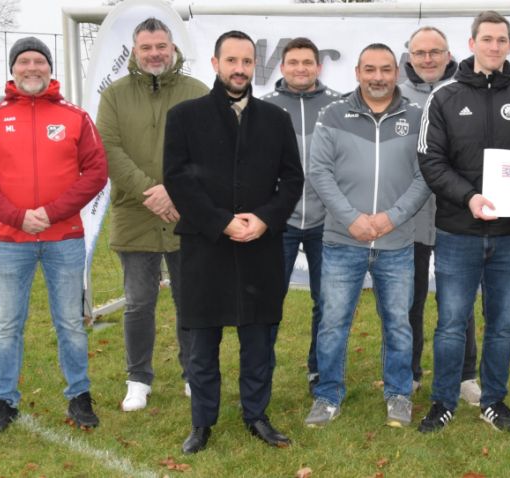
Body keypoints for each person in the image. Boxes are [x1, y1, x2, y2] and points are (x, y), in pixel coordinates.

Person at [163, 30, 304, 454]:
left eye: (247, 62)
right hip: (206, 245)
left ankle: (256, 415)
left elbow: (292, 178)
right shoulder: (184, 116)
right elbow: (177, 178)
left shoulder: (276, 119)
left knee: (259, 339)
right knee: (203, 342)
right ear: (215, 63)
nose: (240, 69)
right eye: (232, 61)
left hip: (260, 244)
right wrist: (222, 222)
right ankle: (202, 423)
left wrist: (264, 219)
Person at [416, 10, 510, 433]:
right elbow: (430, 160)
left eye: (501, 40)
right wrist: (469, 197)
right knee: (452, 322)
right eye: (487, 39)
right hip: (458, 231)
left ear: (509, 45)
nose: (494, 46)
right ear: (472, 43)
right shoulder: (443, 97)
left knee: (502, 324)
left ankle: (494, 400)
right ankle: (443, 400)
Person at [0, 37, 107, 432]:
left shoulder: (76, 117)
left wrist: (53, 212)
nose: (31, 68)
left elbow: (96, 171)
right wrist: (16, 216)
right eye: (23, 61)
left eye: (38, 61)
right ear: (13, 69)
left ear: (50, 68)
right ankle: (4, 401)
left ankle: (79, 395)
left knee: (71, 324)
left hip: (65, 239)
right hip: (10, 242)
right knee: (7, 326)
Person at [304, 43, 430, 429]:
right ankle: (327, 395)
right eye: (370, 69)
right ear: (357, 71)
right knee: (332, 323)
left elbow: (426, 174)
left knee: (398, 323)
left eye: (386, 70)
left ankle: (398, 394)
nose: (378, 77)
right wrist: (352, 218)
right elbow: (319, 171)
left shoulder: (416, 115)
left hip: (397, 242)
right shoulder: (333, 114)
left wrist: (392, 218)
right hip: (343, 240)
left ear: (397, 72)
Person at [97, 17, 209, 411]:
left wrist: (175, 192)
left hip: (187, 214)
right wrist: (150, 191)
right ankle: (138, 379)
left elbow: (209, 150)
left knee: (190, 299)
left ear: (173, 48)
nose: (155, 53)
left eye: (161, 46)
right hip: (135, 213)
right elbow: (108, 149)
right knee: (139, 302)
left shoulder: (197, 92)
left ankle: (194, 374)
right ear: (135, 51)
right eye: (146, 48)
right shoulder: (114, 94)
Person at [398, 25, 482, 405]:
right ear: (409, 57)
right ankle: (410, 373)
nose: (428, 59)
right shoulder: (395, 95)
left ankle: (465, 375)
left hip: (456, 214)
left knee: (458, 302)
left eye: (436, 51)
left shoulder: (470, 89)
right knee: (408, 301)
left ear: (450, 54)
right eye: (420, 53)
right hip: (409, 217)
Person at [259, 37, 340, 394]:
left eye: (308, 62)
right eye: (293, 62)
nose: (301, 69)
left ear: (319, 67)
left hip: (328, 221)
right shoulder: (264, 107)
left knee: (327, 302)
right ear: (282, 66)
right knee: (268, 299)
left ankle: (319, 370)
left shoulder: (339, 105)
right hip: (281, 221)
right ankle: (261, 370)